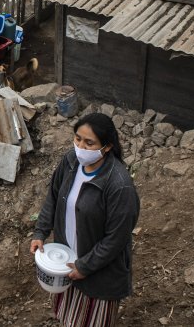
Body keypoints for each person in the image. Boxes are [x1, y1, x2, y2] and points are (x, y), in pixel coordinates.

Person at [30, 112, 140, 327]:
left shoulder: (119, 185)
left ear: (106, 147)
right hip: (68, 260)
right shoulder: (70, 161)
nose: (80, 147)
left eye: (89, 143)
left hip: (99, 273)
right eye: (78, 138)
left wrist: (85, 266)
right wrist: (40, 232)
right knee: (69, 318)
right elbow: (53, 197)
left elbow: (116, 238)